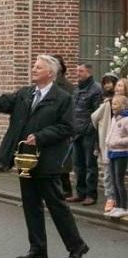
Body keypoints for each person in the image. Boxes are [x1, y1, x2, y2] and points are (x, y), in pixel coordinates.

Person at [0, 54, 89, 258]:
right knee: (31, 205)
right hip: (25, 159)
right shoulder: (25, 94)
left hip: (47, 160)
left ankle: (76, 246)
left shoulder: (63, 98)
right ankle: (38, 248)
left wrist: (40, 137)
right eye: (34, 67)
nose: (33, 70)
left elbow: (67, 127)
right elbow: (1, 103)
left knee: (56, 205)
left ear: (50, 73)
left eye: (38, 68)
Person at [67, 63, 103, 206]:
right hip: (76, 132)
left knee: (90, 166)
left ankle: (91, 195)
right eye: (77, 71)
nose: (78, 73)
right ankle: (80, 193)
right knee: (78, 165)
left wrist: (89, 129)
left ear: (88, 72)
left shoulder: (96, 90)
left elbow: (97, 113)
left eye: (80, 71)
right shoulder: (77, 89)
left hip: (89, 134)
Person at [91, 72, 121, 213]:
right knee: (108, 171)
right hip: (108, 141)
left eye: (111, 82)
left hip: (120, 142)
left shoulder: (121, 102)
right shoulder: (105, 102)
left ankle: (118, 199)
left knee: (117, 174)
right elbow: (94, 117)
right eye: (105, 82)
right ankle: (110, 198)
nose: (108, 85)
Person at [54, 55, 75, 197]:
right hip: (49, 128)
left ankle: (66, 189)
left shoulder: (68, 88)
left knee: (62, 159)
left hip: (62, 128)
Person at [105, 95, 128, 218]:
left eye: (116, 104)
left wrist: (117, 141)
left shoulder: (125, 119)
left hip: (122, 153)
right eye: (113, 103)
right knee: (114, 181)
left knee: (119, 181)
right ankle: (118, 206)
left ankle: (124, 207)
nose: (113, 106)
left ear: (123, 105)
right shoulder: (114, 118)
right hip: (112, 152)